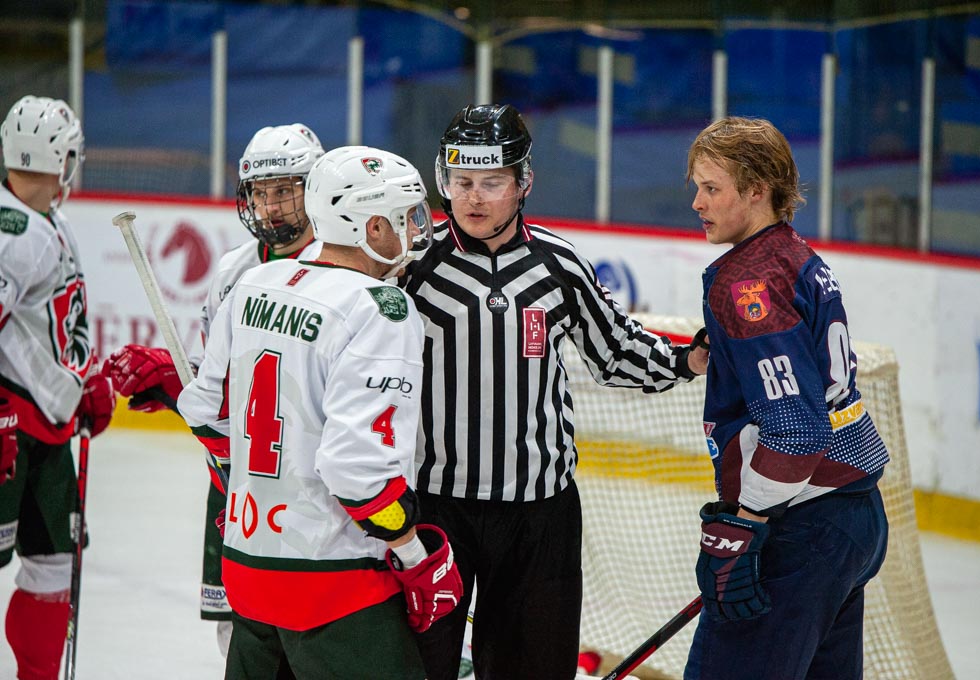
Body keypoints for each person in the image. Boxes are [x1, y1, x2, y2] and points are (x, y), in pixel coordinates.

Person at [399, 103, 709, 680]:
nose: (474, 197)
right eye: (462, 181)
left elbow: (615, 352)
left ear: (523, 183)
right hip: (436, 509)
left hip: (539, 514)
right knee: (419, 668)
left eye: (492, 182)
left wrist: (687, 360)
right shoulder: (412, 266)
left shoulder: (559, 265)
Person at [177, 145, 462, 680]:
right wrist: (414, 555)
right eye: (404, 217)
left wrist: (247, 487)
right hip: (333, 580)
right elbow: (357, 471)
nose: (414, 230)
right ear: (372, 227)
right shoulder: (380, 307)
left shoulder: (254, 285)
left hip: (246, 566)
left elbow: (204, 410)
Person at [103, 123, 325, 659]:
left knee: (315, 637)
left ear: (316, 188)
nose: (272, 207)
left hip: (312, 489)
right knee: (238, 639)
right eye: (261, 193)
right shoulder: (232, 271)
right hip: (235, 483)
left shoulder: (338, 266)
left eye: (285, 190)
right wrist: (172, 379)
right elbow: (220, 379)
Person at [683, 116, 890, 680]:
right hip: (854, 518)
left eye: (712, 188)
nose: (697, 203)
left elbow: (796, 430)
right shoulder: (796, 256)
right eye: (697, 187)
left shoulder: (748, 282)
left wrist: (744, 524)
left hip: (802, 525)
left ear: (757, 189)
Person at [0, 95, 115, 680]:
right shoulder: (10, 233)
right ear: (60, 159)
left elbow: (58, 325)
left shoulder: (52, 223)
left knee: (51, 566)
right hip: (9, 425)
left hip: (46, 429)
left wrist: (83, 381)